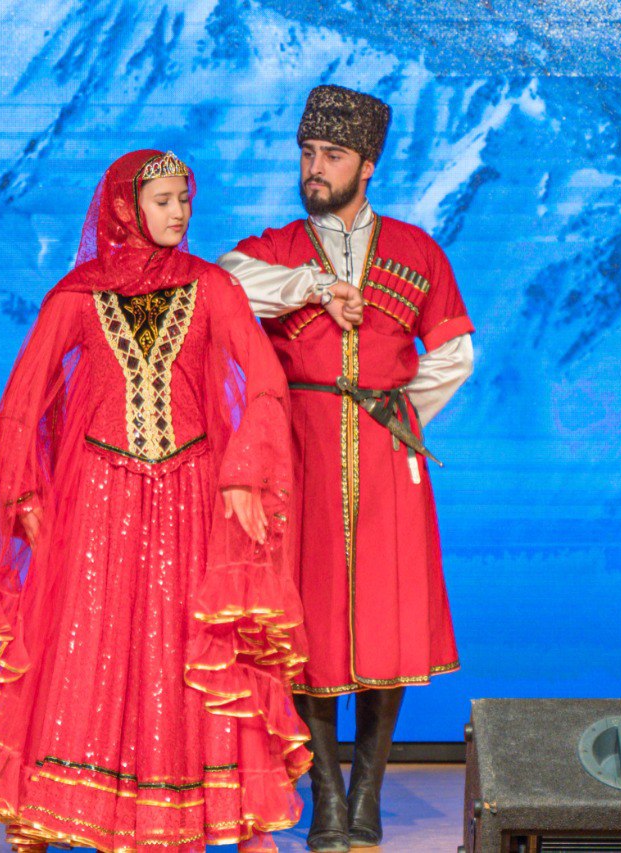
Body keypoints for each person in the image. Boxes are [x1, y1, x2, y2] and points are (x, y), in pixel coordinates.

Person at [0, 149, 311, 852]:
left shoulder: (212, 287)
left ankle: (213, 810)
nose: (179, 212)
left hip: (191, 494)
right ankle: (50, 807)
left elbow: (267, 381)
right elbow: (22, 401)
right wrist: (24, 491)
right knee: (89, 639)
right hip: (99, 498)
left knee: (188, 645)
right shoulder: (79, 294)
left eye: (185, 199)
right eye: (164, 200)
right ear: (126, 208)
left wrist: (243, 473)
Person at [219, 85, 475, 852]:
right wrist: (311, 286)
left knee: (386, 617)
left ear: (367, 165)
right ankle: (327, 794)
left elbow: (456, 352)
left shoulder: (418, 251)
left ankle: (368, 792)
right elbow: (226, 284)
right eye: (307, 153)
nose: (315, 168)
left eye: (331, 155)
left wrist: (397, 413)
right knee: (308, 618)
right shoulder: (276, 249)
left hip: (385, 451)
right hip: (299, 451)